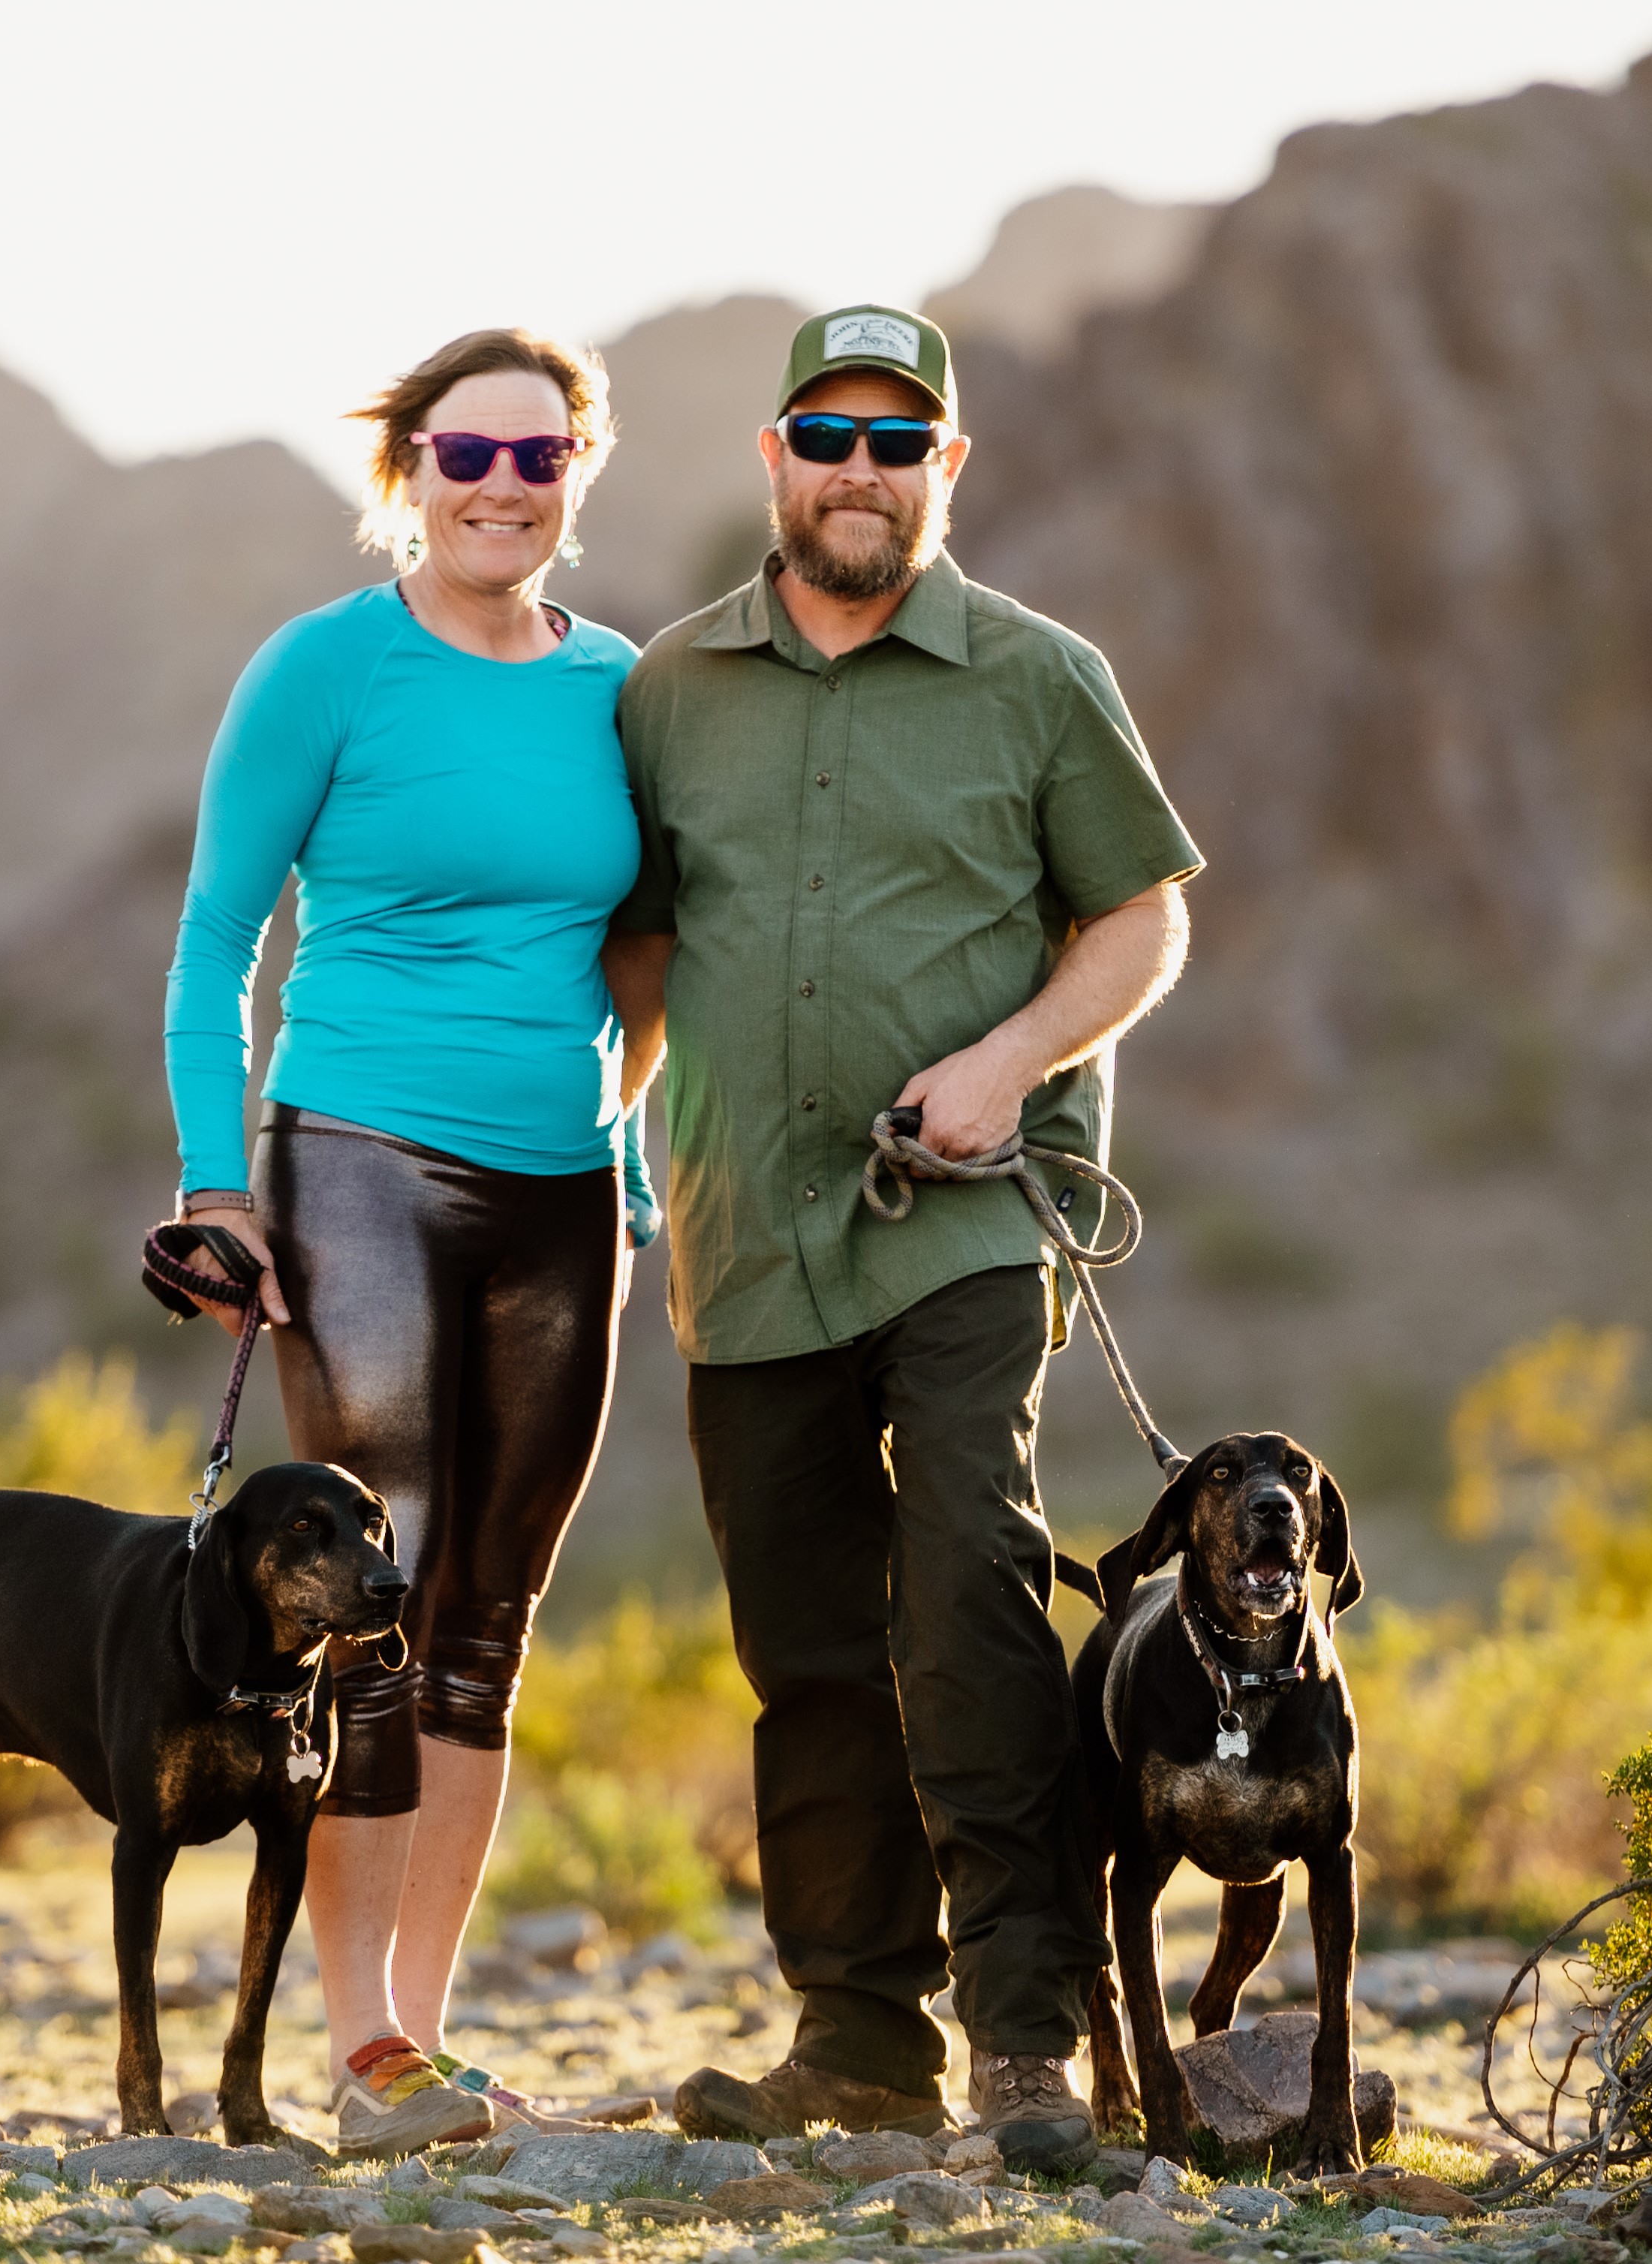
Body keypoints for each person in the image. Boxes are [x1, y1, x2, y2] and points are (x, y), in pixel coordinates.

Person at [602, 306, 1202, 2171]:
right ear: (771, 458)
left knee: (963, 1599)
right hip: (741, 1236)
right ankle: (857, 2036)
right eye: (823, 431)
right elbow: (633, 947)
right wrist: (580, 1128)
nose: (858, 467)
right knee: (802, 1646)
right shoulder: (668, 690)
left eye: (897, 439)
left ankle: (1026, 2034)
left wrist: (1007, 1062)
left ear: (947, 468)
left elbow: (1138, 926)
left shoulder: (1037, 676)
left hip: (956, 1228)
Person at [158, 327, 657, 2157]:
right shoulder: (323, 668)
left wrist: (636, 1143)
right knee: (384, 1591)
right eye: (469, 456)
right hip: (356, 1154)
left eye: (539, 461)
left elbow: (646, 948)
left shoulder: (617, 683)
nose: (501, 491)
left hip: (561, 1197)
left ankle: (421, 2041)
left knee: (489, 1625)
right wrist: (222, 1186)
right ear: (410, 468)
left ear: (579, 473)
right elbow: (214, 937)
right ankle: (358, 2041)